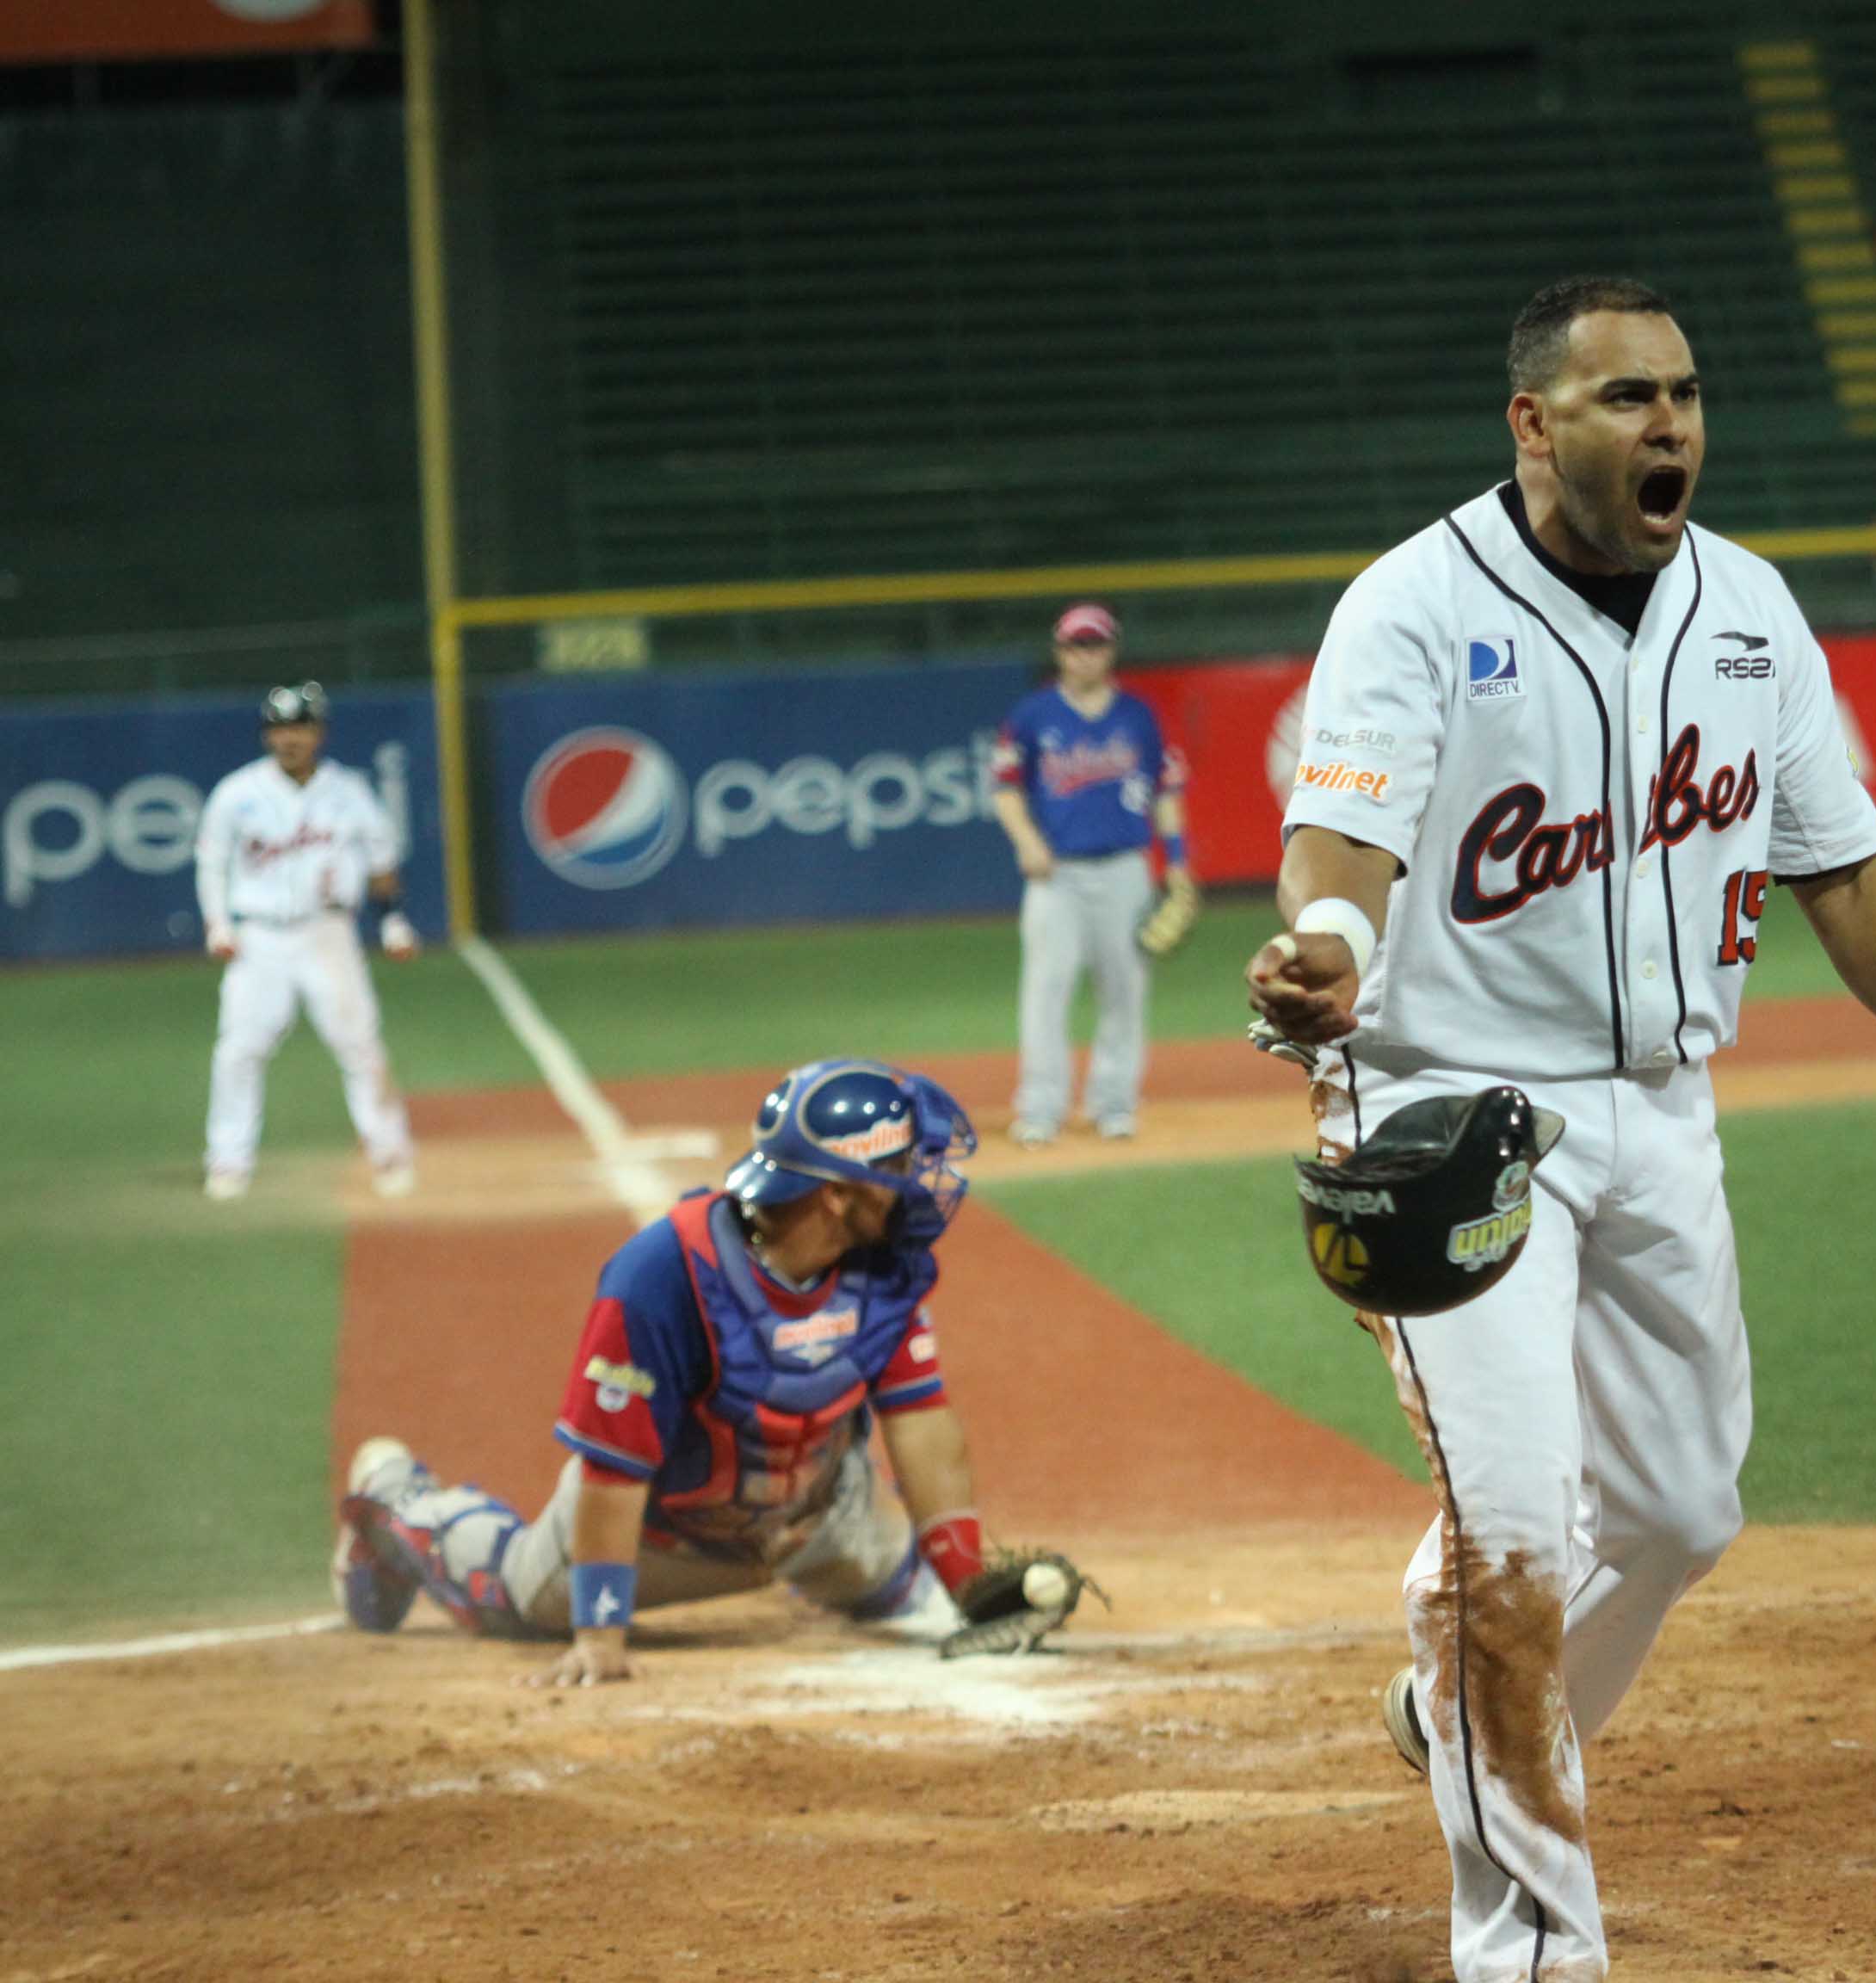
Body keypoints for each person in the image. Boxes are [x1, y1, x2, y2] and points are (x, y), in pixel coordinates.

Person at [1247, 273, 1876, 1983]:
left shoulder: (1750, 611)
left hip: (1664, 1113)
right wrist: (1323, 964)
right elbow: (1347, 852)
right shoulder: (1411, 609)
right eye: (1628, 398)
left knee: (1683, 1513)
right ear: (1535, 424)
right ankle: (1532, 1950)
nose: (1672, 423)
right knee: (1520, 1540)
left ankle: (1445, 1691)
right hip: (1450, 1112)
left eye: (1686, 392)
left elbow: (1839, 863)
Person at [331, 1059, 1096, 1680]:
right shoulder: (662, 1276)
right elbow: (613, 1464)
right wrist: (600, 1631)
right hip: (668, 1539)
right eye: (895, 1167)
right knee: (524, 1600)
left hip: (821, 1524)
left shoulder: (886, 1266)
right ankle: (395, 1502)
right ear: (834, 1195)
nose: (917, 1181)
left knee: (905, 1592)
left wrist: (967, 1584)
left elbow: (924, 1424)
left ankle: (891, 1577)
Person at [194, 680, 418, 1201]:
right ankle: (229, 1159)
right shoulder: (237, 793)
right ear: (266, 735)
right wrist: (217, 923)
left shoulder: (348, 792)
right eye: (278, 728)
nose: (289, 738)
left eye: (299, 727)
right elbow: (211, 863)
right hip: (260, 937)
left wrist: (393, 921)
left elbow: (381, 862)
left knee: (360, 1045)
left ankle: (389, 1152)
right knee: (238, 1051)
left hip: (327, 933)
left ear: (319, 732)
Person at [988, 602, 1192, 1146]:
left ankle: (1114, 1105)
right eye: (1077, 645)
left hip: (1126, 869)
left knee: (1124, 993)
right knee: (1046, 994)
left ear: (1111, 649)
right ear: (1060, 652)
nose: (1086, 654)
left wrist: (1177, 862)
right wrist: (1028, 842)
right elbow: (1005, 787)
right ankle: (1040, 1108)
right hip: (1058, 877)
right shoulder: (1033, 716)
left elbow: (1167, 791)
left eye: (1096, 644)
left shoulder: (1138, 716)